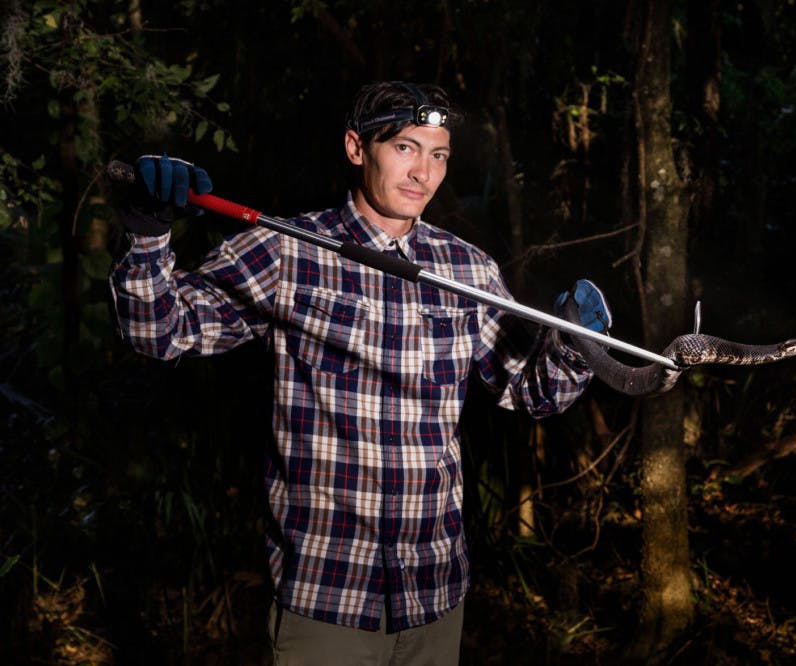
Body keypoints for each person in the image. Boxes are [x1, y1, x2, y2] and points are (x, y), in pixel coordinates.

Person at [109, 81, 615, 664]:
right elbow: (158, 331)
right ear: (356, 148)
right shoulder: (287, 251)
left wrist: (573, 348)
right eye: (405, 147)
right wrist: (147, 235)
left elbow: (530, 393)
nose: (422, 171)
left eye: (439, 154)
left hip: (434, 594)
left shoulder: (467, 268)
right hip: (326, 597)